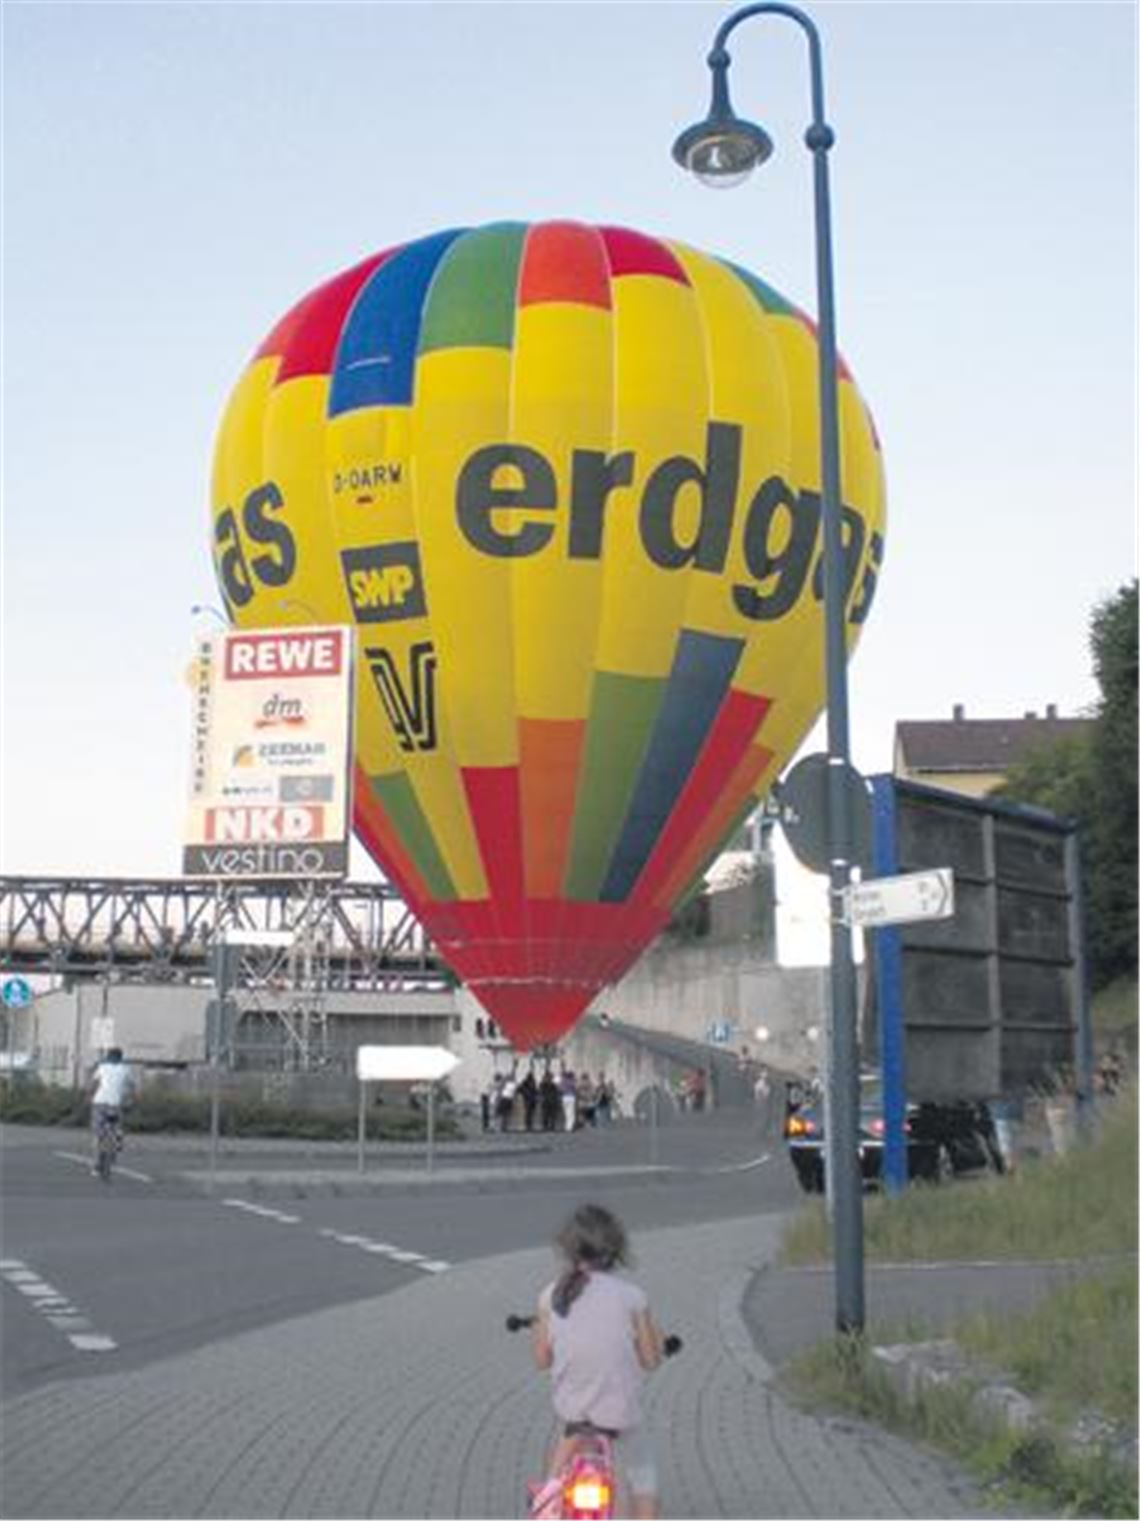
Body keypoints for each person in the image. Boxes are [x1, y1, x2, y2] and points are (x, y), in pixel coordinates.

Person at [531, 1204, 665, 1520]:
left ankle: (548, 1497)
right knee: (643, 1472)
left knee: (562, 1454)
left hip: (574, 1414)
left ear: (568, 1248)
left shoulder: (551, 1296)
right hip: (620, 1414)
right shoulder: (633, 1297)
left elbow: (541, 1360)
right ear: (615, 1250)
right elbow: (649, 1360)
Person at [87, 1047, 135, 1174]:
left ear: (108, 1057)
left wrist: (89, 1096)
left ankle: (96, 1165)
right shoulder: (126, 1069)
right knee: (116, 1128)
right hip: (116, 1104)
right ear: (120, 1058)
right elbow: (132, 1086)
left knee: (98, 1134)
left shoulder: (102, 1067)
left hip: (99, 1103)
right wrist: (131, 1099)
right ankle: (116, 1146)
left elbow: (93, 1084)